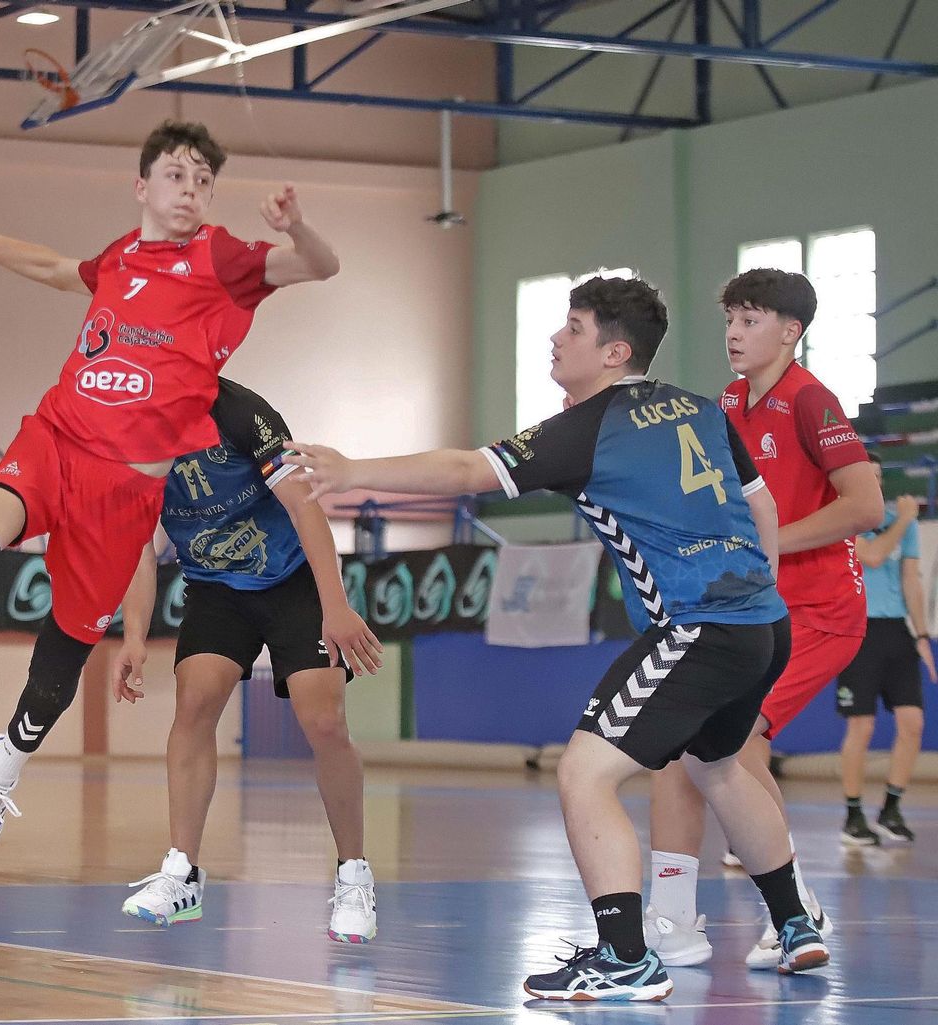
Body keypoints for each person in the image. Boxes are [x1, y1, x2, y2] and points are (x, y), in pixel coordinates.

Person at [0, 121, 341, 870]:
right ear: (142, 185)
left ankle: (2, 766)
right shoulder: (120, 257)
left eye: (203, 181)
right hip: (56, 440)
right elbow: (55, 268)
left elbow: (319, 265)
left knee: (56, 673)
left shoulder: (223, 259)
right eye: (177, 175)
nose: (191, 191)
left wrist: (298, 227)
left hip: (125, 491)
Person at [288, 276, 829, 1002]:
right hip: (763, 621)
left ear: (614, 352)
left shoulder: (590, 428)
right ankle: (794, 923)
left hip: (698, 625)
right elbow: (760, 508)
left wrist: (354, 470)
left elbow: (465, 469)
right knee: (720, 766)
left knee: (583, 773)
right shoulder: (702, 409)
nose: (554, 339)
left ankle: (625, 956)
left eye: (572, 328)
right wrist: (758, 589)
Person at [644, 268, 882, 970]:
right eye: (730, 320)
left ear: (790, 331)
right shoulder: (728, 401)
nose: (734, 333)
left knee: (736, 743)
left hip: (821, 611)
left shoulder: (811, 400)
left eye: (750, 320)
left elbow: (866, 506)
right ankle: (673, 918)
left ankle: (796, 909)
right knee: (684, 745)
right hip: (756, 609)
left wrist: (770, 544)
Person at [109, 378, 384, 940]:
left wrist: (335, 606)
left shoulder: (240, 412)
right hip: (215, 588)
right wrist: (133, 634)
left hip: (292, 580)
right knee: (195, 702)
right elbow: (137, 545)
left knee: (324, 721)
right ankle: (182, 874)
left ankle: (353, 874)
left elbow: (304, 507)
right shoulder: (128, 430)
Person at [838, 453, 932, 844]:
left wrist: (921, 635)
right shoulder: (844, 519)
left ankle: (891, 808)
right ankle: (853, 815)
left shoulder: (898, 521)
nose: (874, 482)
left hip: (896, 630)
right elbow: (874, 556)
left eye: (878, 476)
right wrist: (906, 519)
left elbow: (911, 580)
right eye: (867, 476)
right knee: (862, 725)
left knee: (912, 722)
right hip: (858, 630)